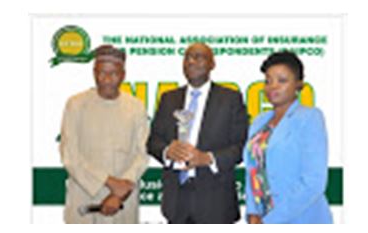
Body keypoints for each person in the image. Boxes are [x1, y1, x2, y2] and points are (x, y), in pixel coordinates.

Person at [147, 43, 248, 223]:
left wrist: (207, 158)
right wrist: (167, 151)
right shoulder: (169, 98)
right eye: (187, 57)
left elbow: (241, 146)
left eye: (199, 56)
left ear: (212, 64)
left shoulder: (230, 98)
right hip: (176, 200)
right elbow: (153, 141)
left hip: (215, 201)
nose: (191, 62)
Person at [59, 45, 149, 223]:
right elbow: (69, 155)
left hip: (122, 199)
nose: (107, 79)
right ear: (94, 73)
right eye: (101, 73)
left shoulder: (136, 106)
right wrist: (108, 182)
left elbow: (142, 154)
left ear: (123, 74)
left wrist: (119, 193)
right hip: (84, 196)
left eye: (114, 73)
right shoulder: (76, 104)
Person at [244, 51, 333, 224]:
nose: (272, 86)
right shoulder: (259, 121)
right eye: (268, 81)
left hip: (301, 218)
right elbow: (253, 170)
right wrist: (252, 212)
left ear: (298, 85)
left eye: (282, 80)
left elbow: (313, 182)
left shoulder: (310, 117)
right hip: (260, 217)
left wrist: (270, 220)